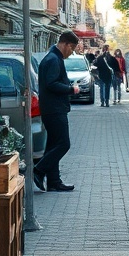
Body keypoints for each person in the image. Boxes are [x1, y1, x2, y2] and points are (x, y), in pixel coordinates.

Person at [34, 30, 81, 192]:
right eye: (72, 48)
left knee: (53, 145)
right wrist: (71, 89)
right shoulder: (53, 59)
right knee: (63, 144)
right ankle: (39, 170)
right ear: (66, 44)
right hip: (54, 109)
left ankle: (54, 181)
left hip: (52, 108)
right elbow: (51, 84)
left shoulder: (53, 58)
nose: (71, 52)